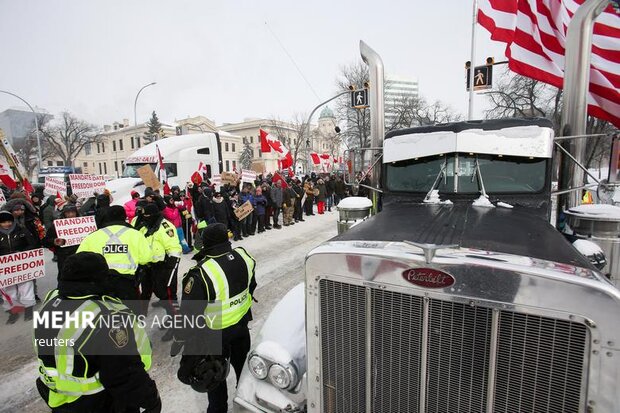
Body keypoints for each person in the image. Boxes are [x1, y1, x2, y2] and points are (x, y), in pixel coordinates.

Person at [34, 252, 161, 412]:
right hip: (99, 401)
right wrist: (151, 400)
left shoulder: (51, 299)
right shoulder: (106, 315)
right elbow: (123, 374)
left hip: (58, 396)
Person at [175, 223, 256, 413]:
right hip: (241, 325)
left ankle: (218, 409)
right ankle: (247, 401)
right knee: (243, 368)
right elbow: (252, 285)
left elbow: (189, 313)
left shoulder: (201, 272)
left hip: (215, 334)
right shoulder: (244, 256)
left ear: (206, 244)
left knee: (214, 376)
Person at [77, 206, 154, 310]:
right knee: (131, 318)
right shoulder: (136, 234)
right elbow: (146, 258)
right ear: (124, 217)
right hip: (126, 284)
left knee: (105, 317)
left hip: (101, 285)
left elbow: (79, 260)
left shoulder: (93, 236)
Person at [132, 203, 182, 328]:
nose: (145, 218)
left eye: (147, 216)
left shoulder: (165, 227)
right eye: (143, 216)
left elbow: (174, 248)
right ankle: (139, 322)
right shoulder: (143, 226)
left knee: (168, 297)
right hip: (147, 267)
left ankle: (176, 323)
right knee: (145, 294)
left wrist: (171, 269)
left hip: (164, 267)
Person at [0, 210, 38, 323]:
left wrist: (21, 253)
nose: (7, 224)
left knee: (26, 286)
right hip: (5, 267)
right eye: (3, 222)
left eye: (9, 221)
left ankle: (28, 308)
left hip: (22, 264)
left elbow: (32, 243)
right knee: (8, 289)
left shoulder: (21, 229)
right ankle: (13, 311)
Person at [42, 204, 81, 280]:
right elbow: (45, 241)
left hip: (80, 255)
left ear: (76, 213)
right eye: (68, 213)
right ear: (64, 214)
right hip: (64, 257)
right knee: (65, 278)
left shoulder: (84, 224)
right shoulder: (57, 225)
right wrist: (54, 241)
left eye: (73, 212)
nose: (71, 215)